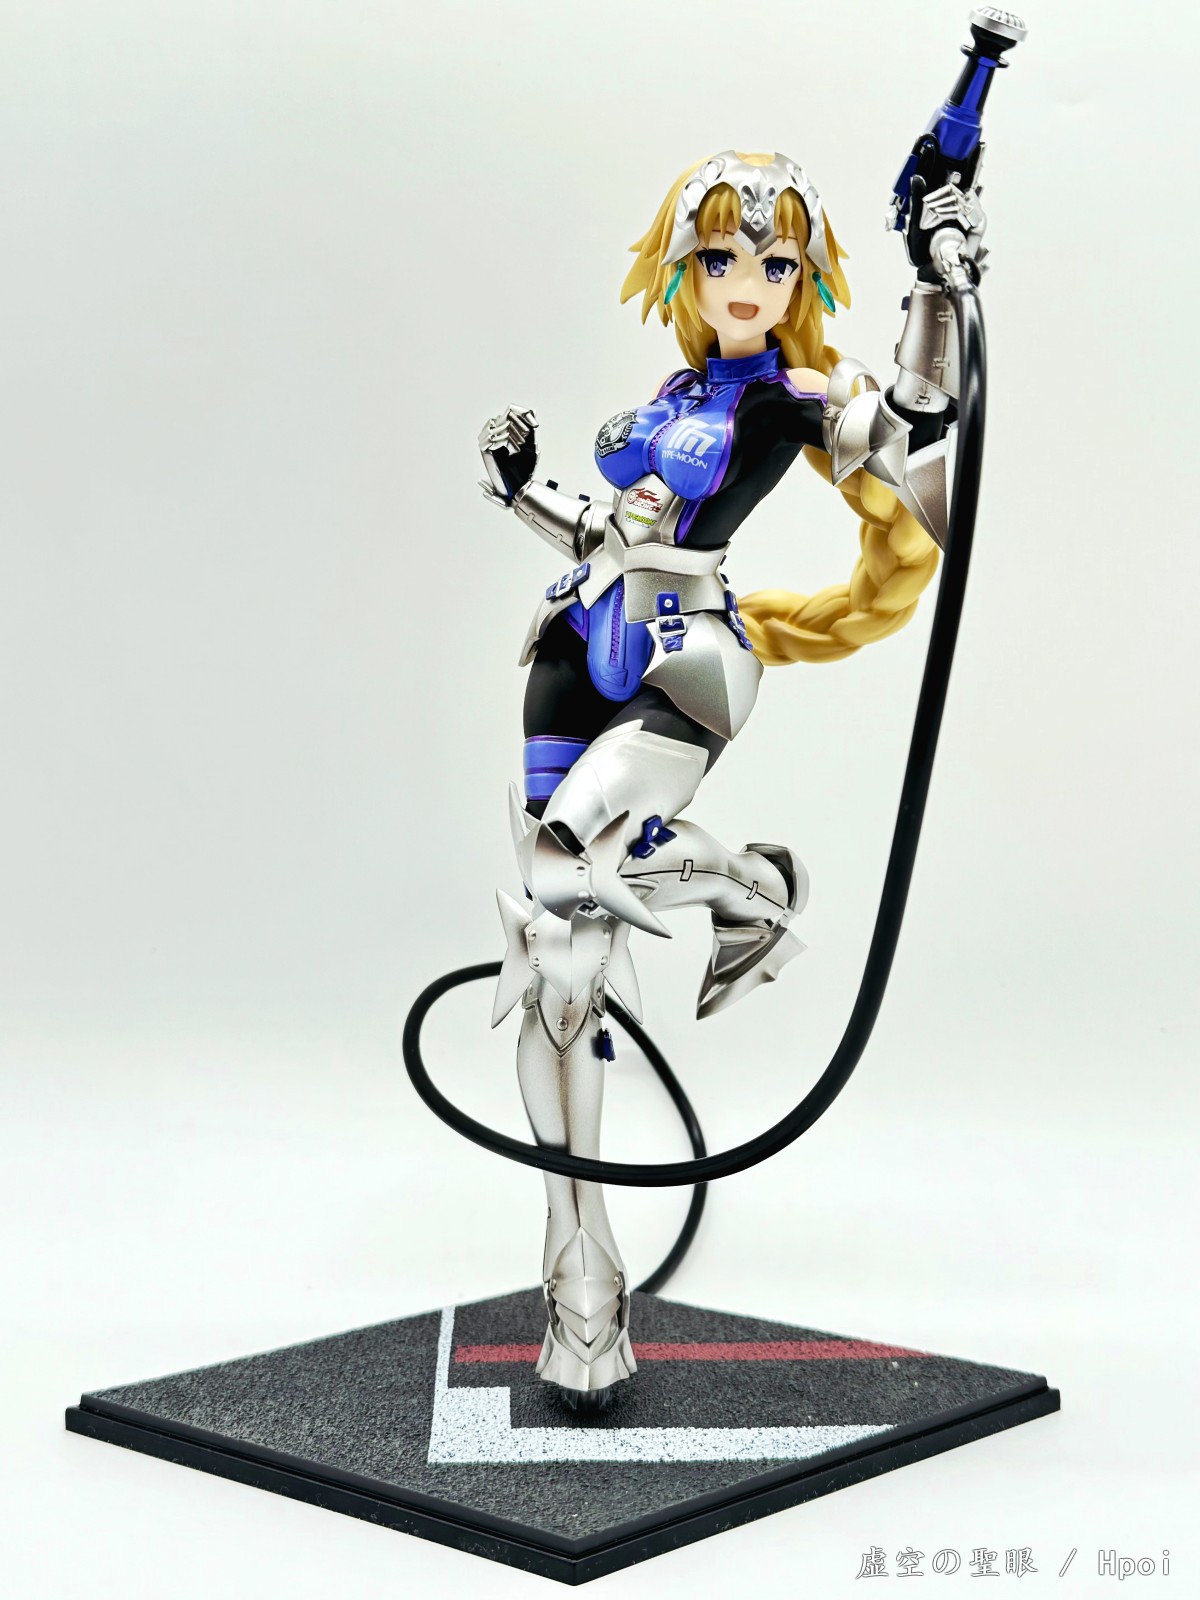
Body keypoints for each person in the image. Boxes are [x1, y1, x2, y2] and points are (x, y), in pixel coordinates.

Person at [477, 149, 980, 1407]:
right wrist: (523, 490)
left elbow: (913, 425)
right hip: (578, 642)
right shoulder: (674, 389)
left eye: (774, 260)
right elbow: (617, 528)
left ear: (802, 278)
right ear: (683, 270)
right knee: (552, 945)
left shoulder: (788, 396)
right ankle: (579, 1254)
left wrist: (936, 279)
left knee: (570, 870)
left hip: (682, 657)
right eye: (718, 256)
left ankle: (748, 887)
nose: (745, 279)